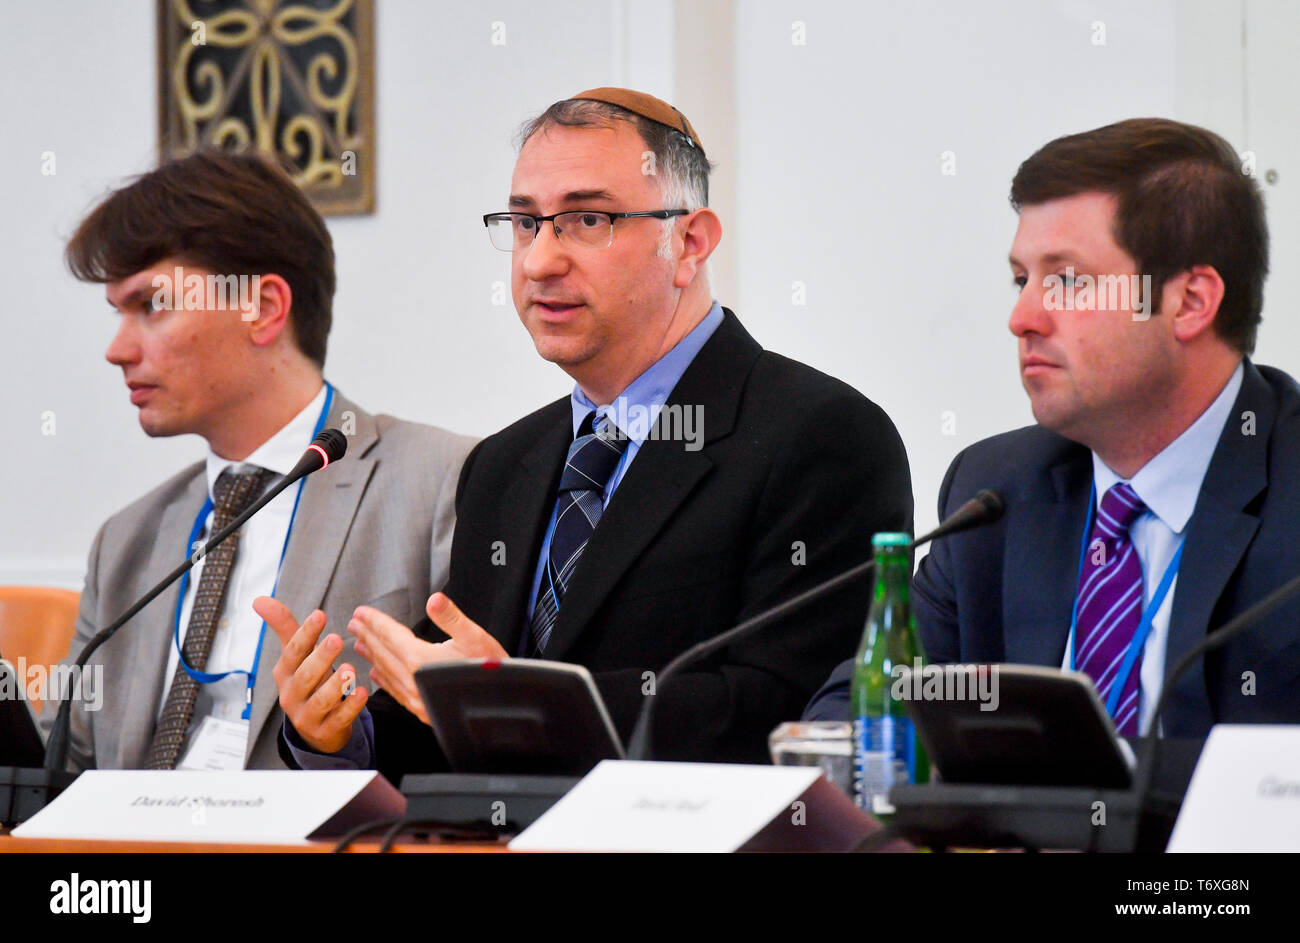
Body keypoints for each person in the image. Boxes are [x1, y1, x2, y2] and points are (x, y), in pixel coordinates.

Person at [265, 88, 912, 776]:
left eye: (586, 219)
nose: (540, 260)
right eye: (524, 224)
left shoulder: (820, 435)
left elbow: (789, 710)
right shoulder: (504, 464)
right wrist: (338, 730)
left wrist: (521, 700)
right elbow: (452, 717)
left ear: (690, 242)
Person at [806, 118, 1300, 738]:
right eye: (1022, 280)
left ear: (1191, 301)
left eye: (1067, 281)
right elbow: (863, 708)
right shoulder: (996, 491)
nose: (1022, 317)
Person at [47, 150, 475, 771]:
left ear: (265, 308)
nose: (117, 349)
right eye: (117, 313)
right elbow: (60, 763)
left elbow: (460, 753)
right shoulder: (125, 542)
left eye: (151, 306)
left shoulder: (440, 483)